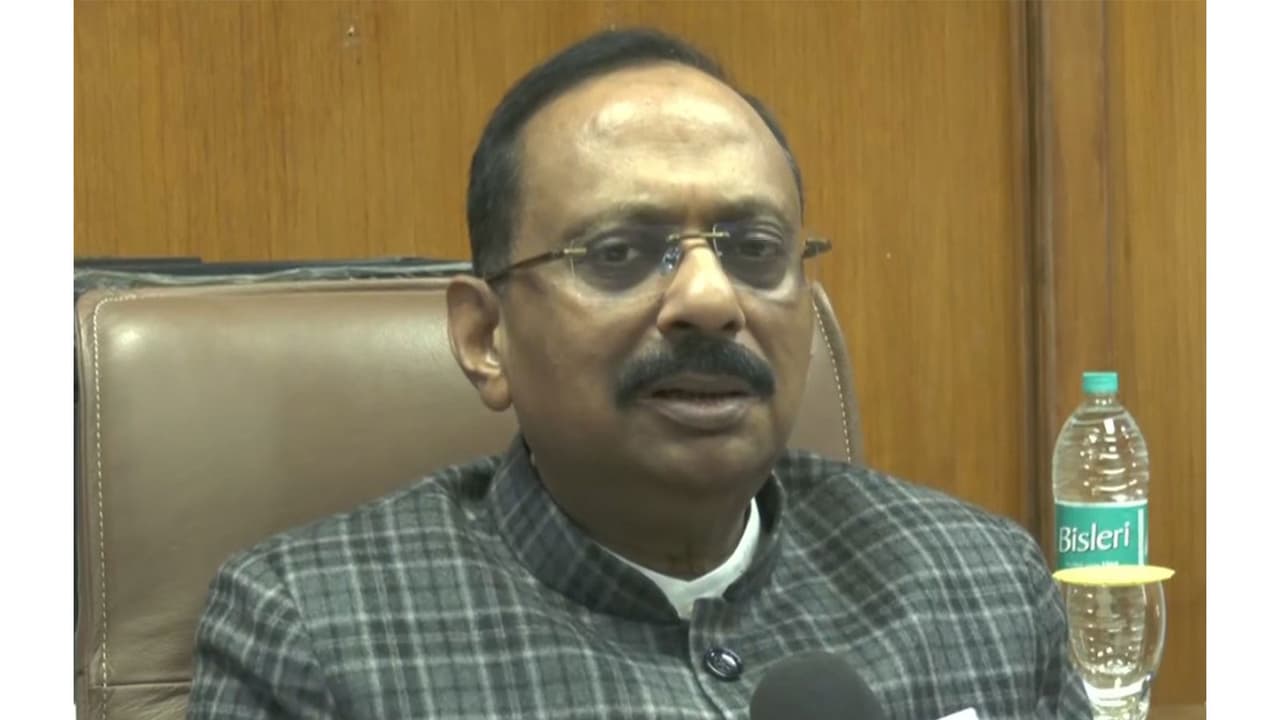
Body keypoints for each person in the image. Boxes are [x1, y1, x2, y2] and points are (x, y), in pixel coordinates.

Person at [187, 28, 1090, 720]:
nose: (710, 298)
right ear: (486, 337)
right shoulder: (313, 632)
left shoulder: (982, 585)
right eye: (619, 252)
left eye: (754, 248)